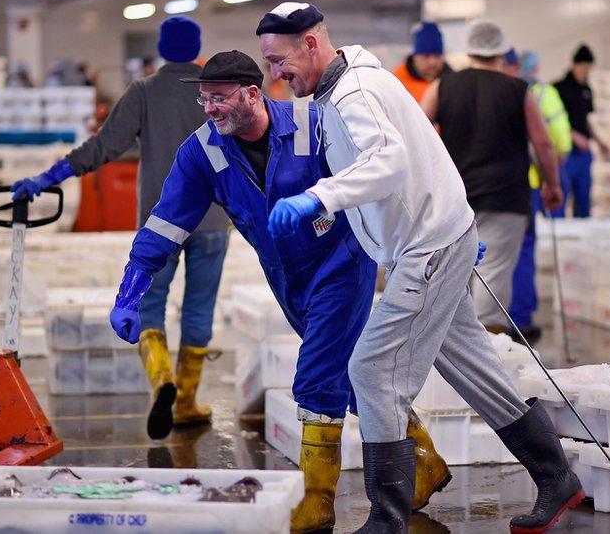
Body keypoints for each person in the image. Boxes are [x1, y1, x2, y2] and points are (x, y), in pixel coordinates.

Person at [258, 3, 583, 532]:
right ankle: (556, 477)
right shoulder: (350, 85)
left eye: (278, 60)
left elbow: (389, 162)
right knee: (474, 367)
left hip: (425, 248)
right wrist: (451, 218)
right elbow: (422, 145)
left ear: (311, 44)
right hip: (438, 237)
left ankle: (388, 518)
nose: (275, 73)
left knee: (371, 371)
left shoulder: (353, 94)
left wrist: (321, 199)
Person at [107, 50, 451, 533]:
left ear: (252, 94)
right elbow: (163, 227)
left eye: (219, 98)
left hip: (343, 263)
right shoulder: (202, 152)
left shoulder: (317, 123)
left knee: (315, 379)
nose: (209, 108)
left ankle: (316, 501)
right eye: (204, 99)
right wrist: (130, 291)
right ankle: (423, 459)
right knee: (352, 376)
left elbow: (391, 169)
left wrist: (438, 230)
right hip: (288, 281)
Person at [12, 16, 231, 440]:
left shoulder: (145, 91)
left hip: (160, 221)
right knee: (199, 308)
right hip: (213, 219)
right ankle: (185, 401)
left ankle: (161, 381)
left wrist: (48, 177)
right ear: (198, 46)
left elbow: (103, 146)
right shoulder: (218, 92)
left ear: (163, 49)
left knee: (151, 304)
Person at [419, 22, 563, 337]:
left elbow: (416, 130)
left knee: (457, 277)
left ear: (470, 49)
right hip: (506, 199)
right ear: (501, 51)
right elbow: (543, 144)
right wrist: (552, 185)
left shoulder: (443, 86)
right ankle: (488, 356)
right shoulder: (520, 90)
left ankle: (458, 358)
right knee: (493, 279)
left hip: (456, 200)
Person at [508, 50, 573, 343]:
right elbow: (558, 138)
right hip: (527, 184)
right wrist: (552, 178)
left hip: (480, 188)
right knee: (523, 251)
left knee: (485, 256)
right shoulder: (540, 93)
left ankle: (491, 321)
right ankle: (520, 319)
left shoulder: (480, 90)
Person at [553, 43, 610, 217]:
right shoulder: (558, 89)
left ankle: (582, 229)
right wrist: (572, 135)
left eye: (589, 68)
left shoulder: (586, 90)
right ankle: (561, 231)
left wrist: (599, 141)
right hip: (565, 153)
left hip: (583, 153)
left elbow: (585, 120)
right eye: (584, 67)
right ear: (574, 65)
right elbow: (553, 122)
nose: (586, 71)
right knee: (562, 194)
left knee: (583, 196)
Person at [392, 22, 451, 103]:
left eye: (437, 56)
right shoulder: (397, 81)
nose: (432, 62)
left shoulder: (452, 81)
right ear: (415, 57)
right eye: (426, 56)